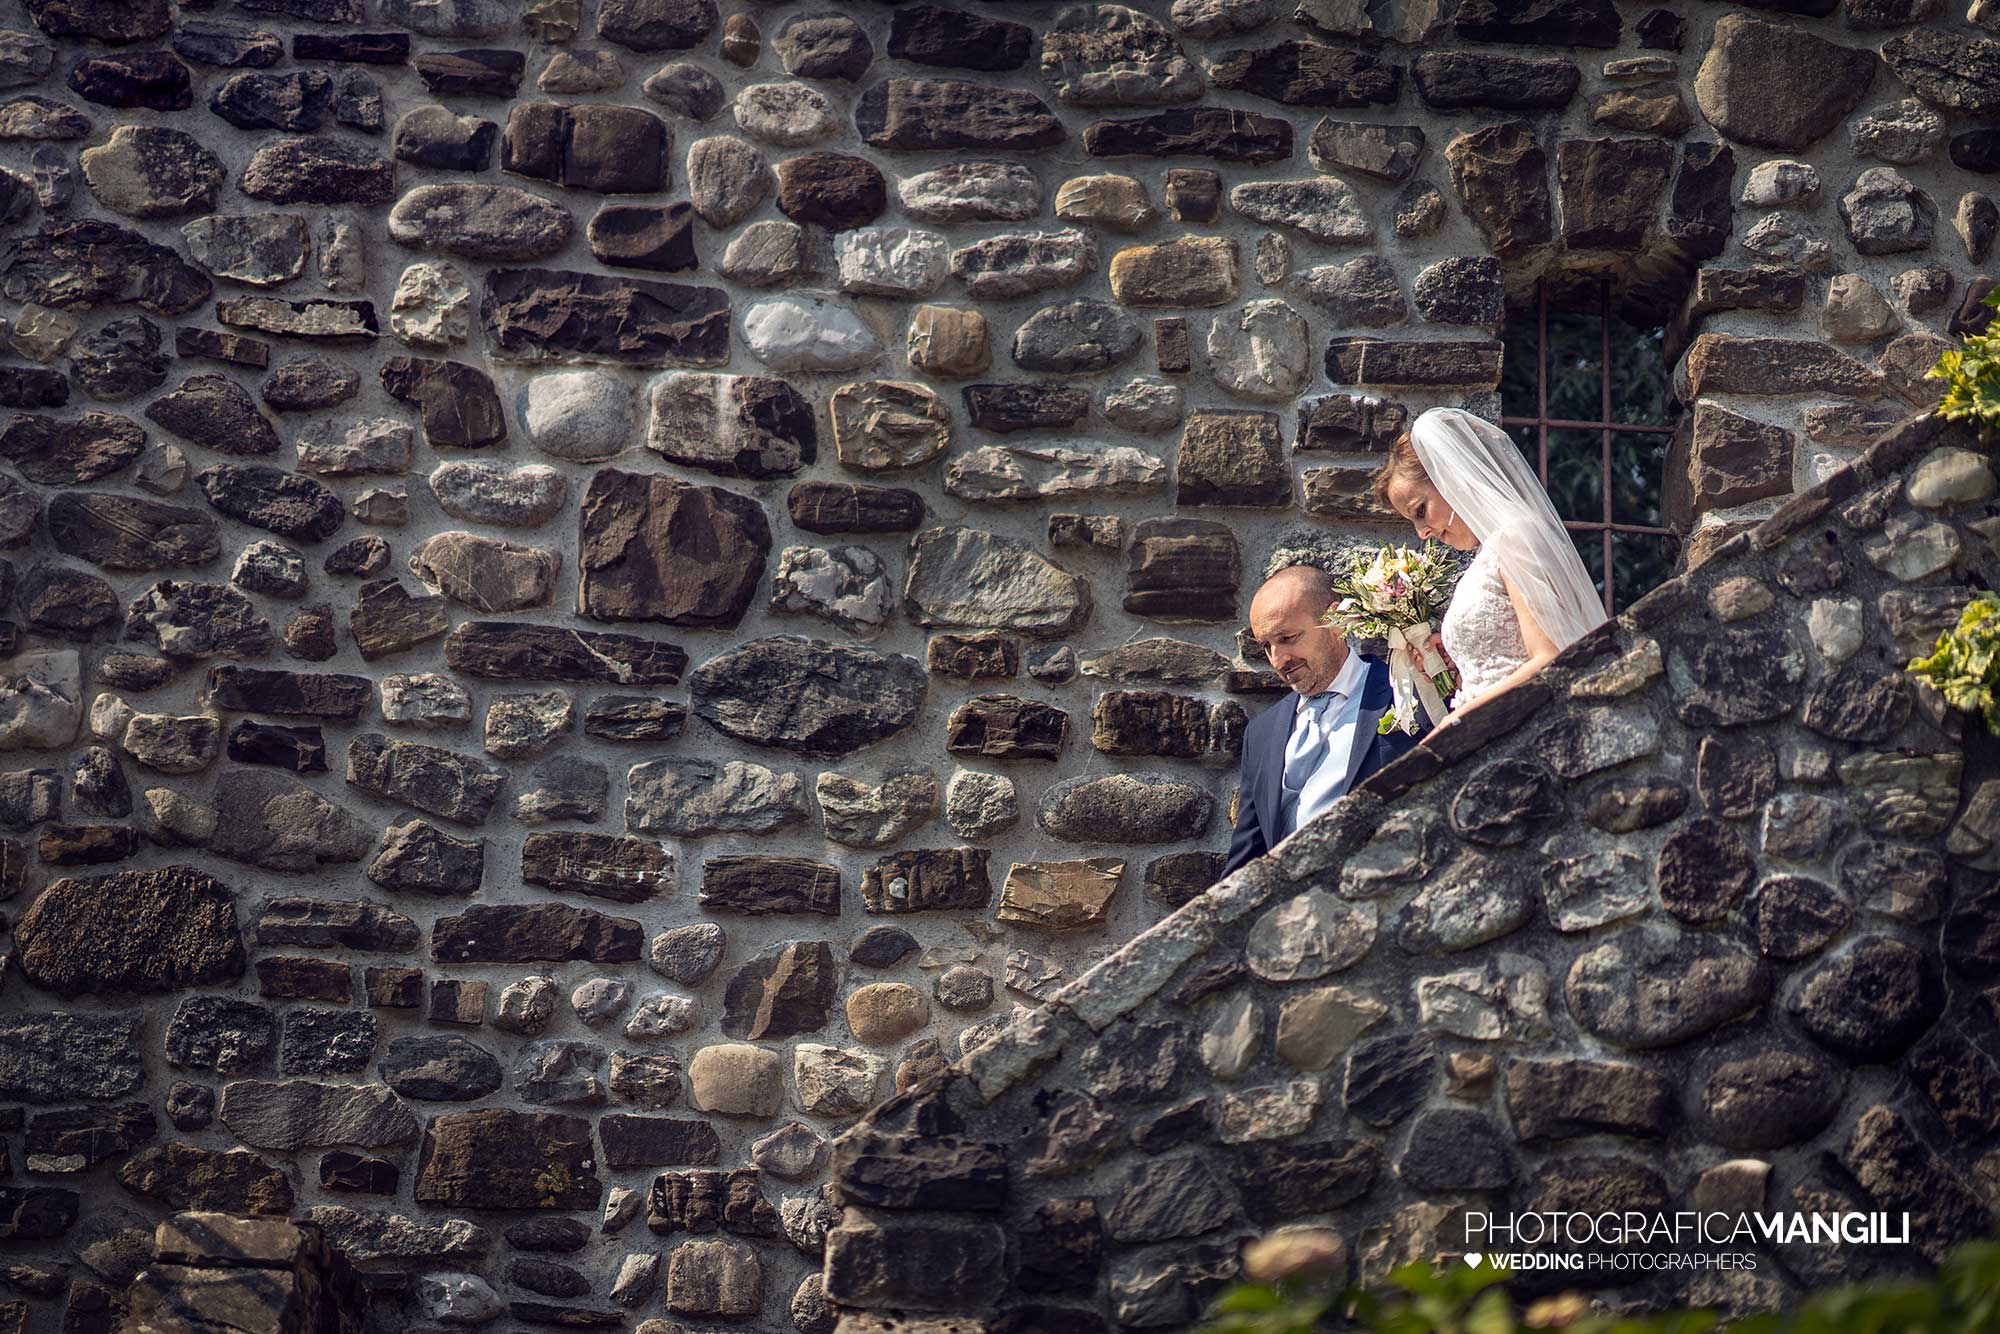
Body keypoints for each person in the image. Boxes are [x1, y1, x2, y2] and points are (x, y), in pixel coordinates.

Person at [1372, 406, 1608, 728]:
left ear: (1451, 477)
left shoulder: (1516, 536)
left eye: (1421, 510)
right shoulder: (1490, 553)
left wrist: (1457, 722)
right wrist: (1458, 664)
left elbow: (1550, 658)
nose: (1423, 533)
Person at [1224, 565, 1421, 875]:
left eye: (1288, 637)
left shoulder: (1407, 694)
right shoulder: (1261, 732)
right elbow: (1247, 858)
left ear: (1335, 621)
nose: (1278, 660)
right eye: (1267, 646)